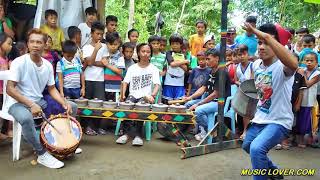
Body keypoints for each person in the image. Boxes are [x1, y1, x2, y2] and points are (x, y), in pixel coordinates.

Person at [7, 29, 78, 169]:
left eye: (39, 42)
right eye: (32, 41)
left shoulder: (47, 65)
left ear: (45, 44)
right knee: (26, 118)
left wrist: (64, 102)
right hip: (18, 103)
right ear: (27, 44)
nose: (35, 45)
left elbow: (52, 89)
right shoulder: (19, 62)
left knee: (72, 106)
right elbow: (10, 89)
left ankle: (61, 142)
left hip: (40, 102)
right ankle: (42, 154)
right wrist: (30, 104)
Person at [240, 23, 298, 180]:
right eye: (260, 42)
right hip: (260, 119)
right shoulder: (256, 65)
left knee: (257, 149)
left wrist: (265, 36)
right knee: (247, 146)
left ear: (277, 45)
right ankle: (273, 171)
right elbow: (253, 92)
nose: (262, 46)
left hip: (279, 121)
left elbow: (294, 64)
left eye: (268, 42)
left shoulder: (283, 67)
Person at [183, 49, 231, 141]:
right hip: (210, 101)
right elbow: (203, 88)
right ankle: (205, 131)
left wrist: (199, 103)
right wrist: (189, 97)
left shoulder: (222, 72)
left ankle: (212, 132)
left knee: (198, 111)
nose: (207, 61)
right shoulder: (211, 71)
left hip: (220, 103)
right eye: (206, 59)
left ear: (217, 58)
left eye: (209, 59)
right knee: (187, 105)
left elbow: (215, 94)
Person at [118, 43, 160, 146]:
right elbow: (125, 82)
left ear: (150, 54)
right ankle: (126, 134)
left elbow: (157, 84)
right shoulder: (132, 68)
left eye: (148, 52)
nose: (145, 54)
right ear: (138, 53)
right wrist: (122, 95)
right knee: (127, 105)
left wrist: (152, 95)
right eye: (143, 51)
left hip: (145, 97)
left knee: (141, 107)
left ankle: (138, 135)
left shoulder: (153, 68)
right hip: (133, 95)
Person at [83, 21, 108, 135]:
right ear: (92, 33)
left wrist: (91, 62)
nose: (99, 36)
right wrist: (96, 50)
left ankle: (97, 127)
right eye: (97, 34)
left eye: (101, 34)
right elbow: (89, 61)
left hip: (100, 79)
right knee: (88, 104)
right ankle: (88, 126)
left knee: (99, 104)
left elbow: (104, 63)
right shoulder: (87, 47)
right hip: (88, 78)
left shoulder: (105, 47)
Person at [296, 52, 320, 148]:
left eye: (311, 61)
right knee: (301, 121)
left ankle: (309, 139)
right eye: (307, 60)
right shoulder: (303, 70)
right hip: (301, 100)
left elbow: (308, 84)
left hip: (310, 102)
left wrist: (303, 74)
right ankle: (300, 140)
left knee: (309, 122)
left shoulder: (317, 73)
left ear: (316, 62)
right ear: (303, 61)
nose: (309, 62)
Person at [162, 34, 189, 103]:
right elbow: (172, 64)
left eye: (177, 43)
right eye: (173, 43)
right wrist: (183, 62)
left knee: (178, 102)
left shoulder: (184, 54)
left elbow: (186, 69)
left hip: (180, 83)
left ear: (180, 44)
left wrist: (177, 62)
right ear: (170, 44)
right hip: (168, 82)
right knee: (167, 102)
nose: (175, 45)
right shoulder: (168, 53)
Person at [234, 44, 253, 139]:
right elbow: (235, 80)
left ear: (247, 54)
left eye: (243, 54)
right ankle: (241, 129)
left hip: (250, 93)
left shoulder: (252, 66)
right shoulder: (236, 66)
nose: (241, 56)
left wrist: (243, 84)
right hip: (240, 92)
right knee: (239, 112)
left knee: (247, 113)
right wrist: (240, 84)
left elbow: (252, 80)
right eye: (239, 54)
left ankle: (246, 131)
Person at [102, 32, 124, 101]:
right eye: (111, 44)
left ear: (119, 44)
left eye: (115, 44)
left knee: (114, 109)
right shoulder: (105, 54)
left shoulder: (120, 57)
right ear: (107, 44)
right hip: (105, 87)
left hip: (115, 88)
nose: (113, 46)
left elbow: (120, 71)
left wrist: (107, 64)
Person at [0, 33, 12, 139]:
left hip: (4, 90)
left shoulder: (6, 58)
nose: (10, 46)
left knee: (6, 109)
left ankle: (6, 130)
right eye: (8, 44)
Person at [149, 35, 167, 103]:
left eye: (157, 43)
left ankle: (156, 109)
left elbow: (165, 67)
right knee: (149, 93)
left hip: (159, 79)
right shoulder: (148, 55)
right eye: (153, 43)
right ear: (149, 44)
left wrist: (164, 72)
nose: (156, 45)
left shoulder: (163, 56)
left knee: (158, 94)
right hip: (149, 79)